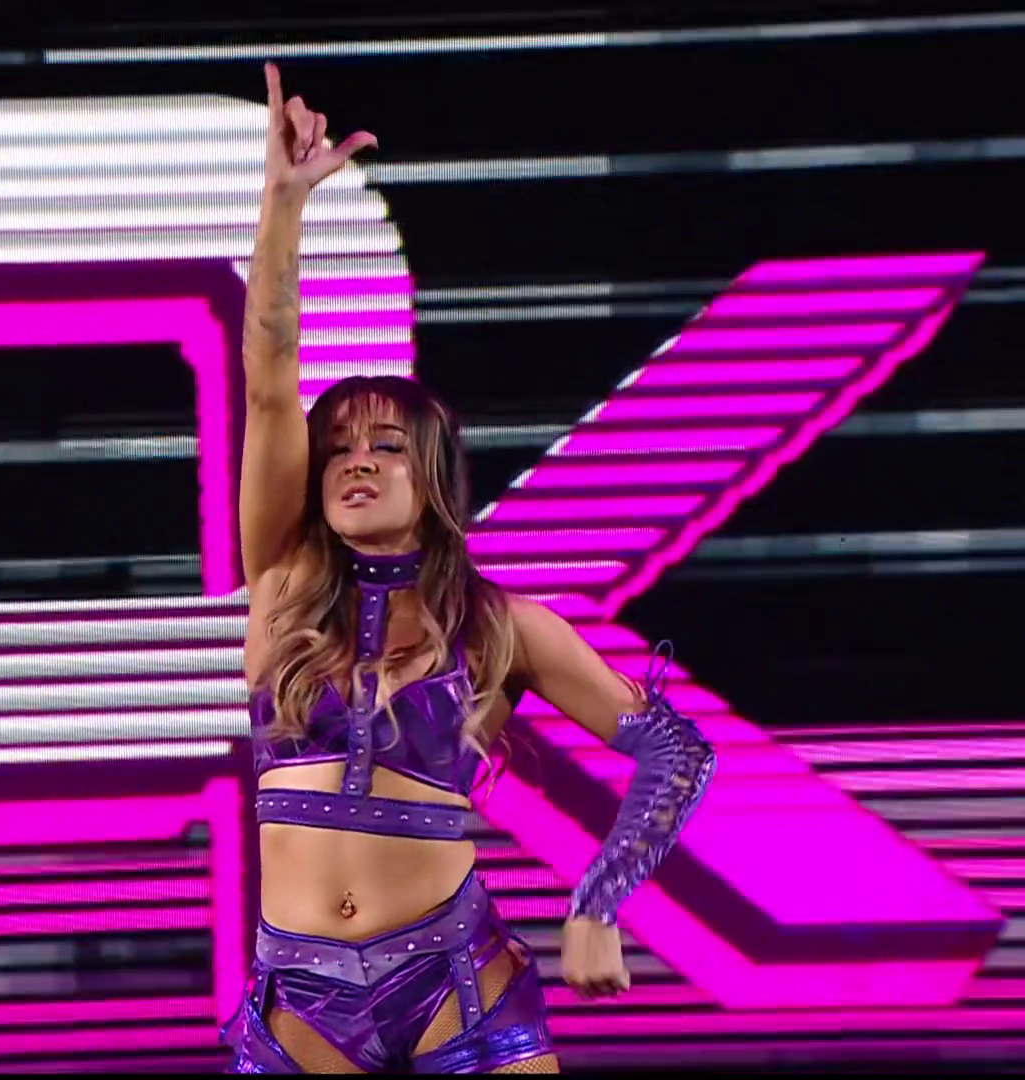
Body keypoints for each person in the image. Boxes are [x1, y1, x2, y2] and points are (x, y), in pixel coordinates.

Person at [219, 64, 718, 1074]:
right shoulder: (278, 581)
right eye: (338, 449)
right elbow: (270, 380)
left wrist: (599, 900)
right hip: (300, 1004)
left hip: (456, 985)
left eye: (386, 447)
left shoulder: (502, 625)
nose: (356, 462)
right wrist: (284, 205)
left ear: (434, 478)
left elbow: (678, 753)